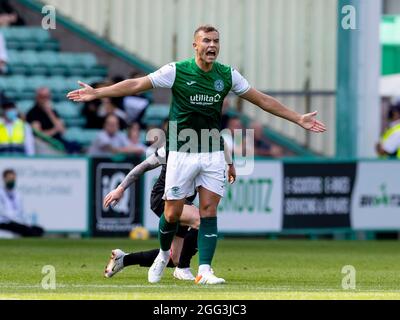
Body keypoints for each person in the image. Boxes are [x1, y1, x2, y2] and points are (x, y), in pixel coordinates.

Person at [67, 25, 326, 285]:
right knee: (170, 215)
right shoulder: (177, 71)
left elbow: (262, 100)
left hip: (211, 153)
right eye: (206, 41)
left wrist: (297, 118)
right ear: (195, 46)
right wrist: (97, 92)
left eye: (216, 41)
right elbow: (137, 84)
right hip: (181, 153)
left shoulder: (227, 75)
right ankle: (164, 255)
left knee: (209, 212)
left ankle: (205, 271)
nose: (212, 45)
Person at [103, 144, 236, 280]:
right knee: (202, 222)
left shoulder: (208, 143)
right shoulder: (172, 146)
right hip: (163, 198)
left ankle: (124, 259)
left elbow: (221, 143)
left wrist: (230, 165)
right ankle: (192, 269)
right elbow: (143, 166)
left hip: (184, 202)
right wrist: (120, 188)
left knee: (175, 258)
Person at [26, 87, 81, 154]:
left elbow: (62, 130)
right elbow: (39, 135)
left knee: (76, 145)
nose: (45, 99)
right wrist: (55, 129)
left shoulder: (53, 111)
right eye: (42, 97)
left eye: (47, 97)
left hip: (58, 141)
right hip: (47, 144)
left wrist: (50, 113)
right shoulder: (33, 113)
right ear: (37, 97)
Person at [0, 169, 44, 237]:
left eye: (13, 178)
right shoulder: (1, 193)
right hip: (4, 222)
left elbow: (21, 211)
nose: (12, 181)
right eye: (9, 178)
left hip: (17, 222)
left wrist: (24, 222)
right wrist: (17, 220)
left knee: (39, 229)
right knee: (26, 230)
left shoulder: (17, 194)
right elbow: (3, 212)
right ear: (4, 179)